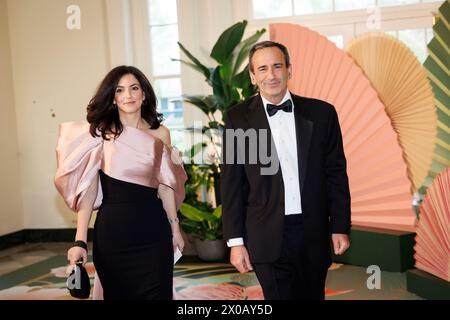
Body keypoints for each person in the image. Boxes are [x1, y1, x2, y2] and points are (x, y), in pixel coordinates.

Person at [221, 41, 351, 300]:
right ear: (252, 76)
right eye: (263, 69)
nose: (271, 75)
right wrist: (235, 242)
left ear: (290, 70)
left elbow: (335, 173)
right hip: (265, 234)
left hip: (312, 230)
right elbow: (232, 185)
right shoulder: (238, 118)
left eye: (278, 66)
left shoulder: (322, 113)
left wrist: (339, 225)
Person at [54, 65, 187, 299]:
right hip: (114, 236)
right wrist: (80, 241)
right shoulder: (101, 133)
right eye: (120, 90)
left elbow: (166, 186)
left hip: (154, 233)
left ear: (144, 94)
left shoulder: (160, 134)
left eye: (134, 88)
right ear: (113, 98)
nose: (128, 95)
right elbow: (89, 190)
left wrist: (175, 228)